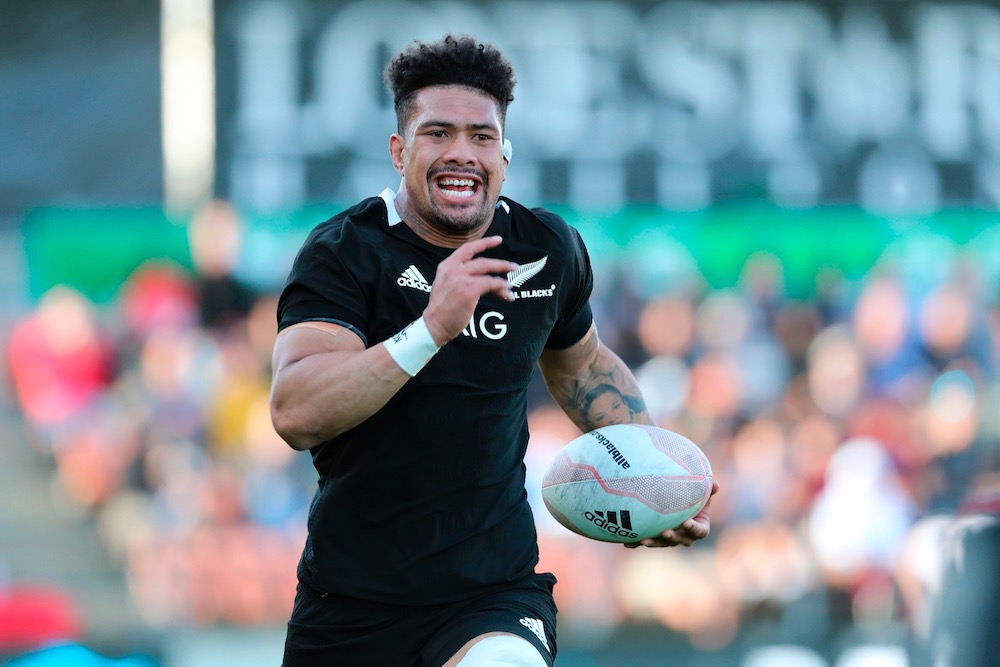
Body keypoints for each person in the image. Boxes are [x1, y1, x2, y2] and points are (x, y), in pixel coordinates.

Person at [269, 34, 718, 667]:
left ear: (504, 157)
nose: (462, 154)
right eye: (438, 134)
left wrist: (654, 485)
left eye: (482, 137)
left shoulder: (546, 246)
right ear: (399, 151)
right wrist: (431, 327)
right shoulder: (345, 251)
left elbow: (583, 367)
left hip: (492, 594)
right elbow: (295, 411)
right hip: (351, 601)